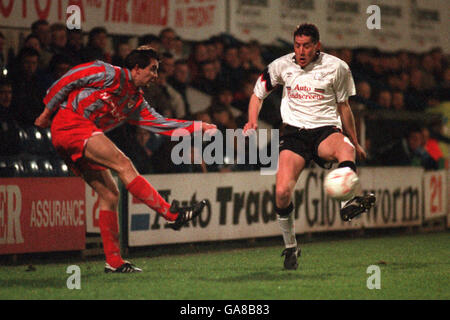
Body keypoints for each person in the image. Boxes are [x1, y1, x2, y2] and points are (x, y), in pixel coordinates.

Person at [35, 46, 217, 273]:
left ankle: (114, 261)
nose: (155, 75)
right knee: (124, 164)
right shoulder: (107, 72)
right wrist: (46, 111)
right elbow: (70, 78)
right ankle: (170, 214)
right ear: (137, 69)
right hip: (70, 123)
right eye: (152, 69)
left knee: (110, 194)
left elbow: (161, 124)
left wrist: (197, 126)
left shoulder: (135, 101)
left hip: (80, 134)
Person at [243, 24, 375, 270]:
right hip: (294, 135)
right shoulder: (281, 66)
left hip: (325, 131)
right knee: (282, 192)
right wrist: (252, 119)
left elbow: (344, 107)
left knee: (346, 149)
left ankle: (347, 203)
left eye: (306, 46)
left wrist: (355, 141)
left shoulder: (337, 67)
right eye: (297, 45)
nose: (301, 51)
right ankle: (291, 246)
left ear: (318, 46)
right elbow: (257, 94)